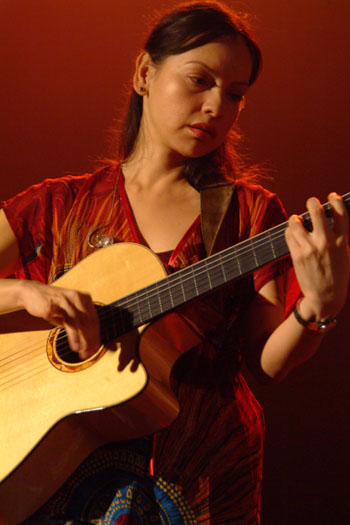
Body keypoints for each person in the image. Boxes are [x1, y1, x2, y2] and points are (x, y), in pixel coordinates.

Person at [0, 1, 349, 523]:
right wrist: (23, 293)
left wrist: (317, 309)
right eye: (199, 80)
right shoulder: (58, 205)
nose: (216, 106)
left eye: (235, 94)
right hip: (65, 478)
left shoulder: (250, 212)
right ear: (145, 73)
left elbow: (264, 365)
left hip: (202, 482)